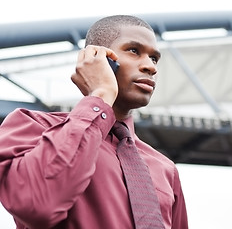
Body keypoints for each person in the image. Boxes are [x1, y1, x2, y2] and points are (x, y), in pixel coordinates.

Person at [0, 15, 188, 229]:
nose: (150, 67)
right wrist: (100, 95)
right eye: (134, 51)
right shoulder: (32, 127)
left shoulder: (166, 169)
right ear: (98, 57)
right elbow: (38, 204)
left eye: (154, 58)